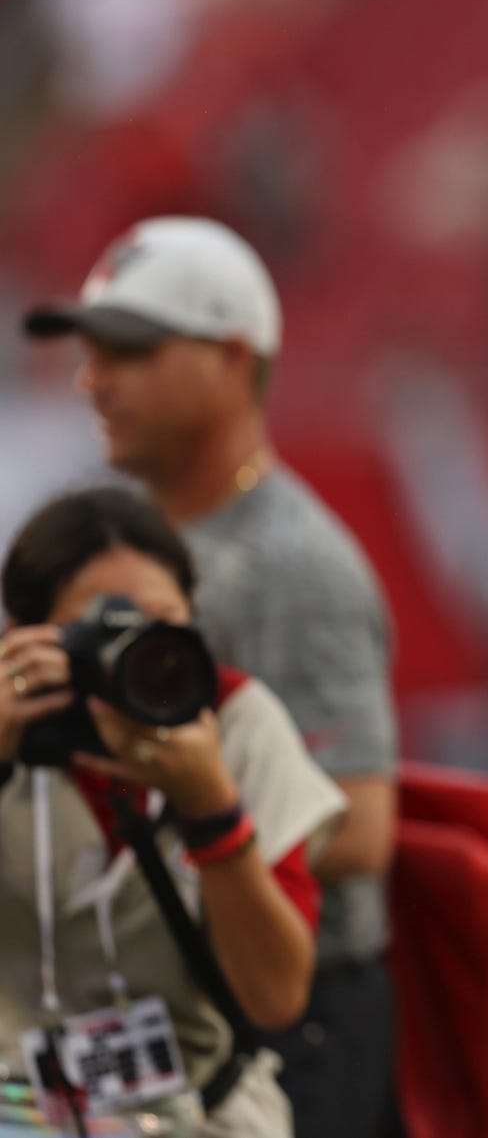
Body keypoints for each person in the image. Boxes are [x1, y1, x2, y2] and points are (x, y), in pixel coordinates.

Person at [21, 218, 401, 1137]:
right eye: (90, 352)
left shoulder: (287, 560)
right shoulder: (128, 536)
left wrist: (200, 798)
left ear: (232, 359)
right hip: (162, 1006)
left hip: (289, 1016)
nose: (92, 379)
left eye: (130, 351)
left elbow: (358, 823)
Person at [0, 486, 345, 1135]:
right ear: (24, 640)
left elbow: (274, 999)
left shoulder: (238, 723)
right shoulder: (11, 731)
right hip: (19, 1113)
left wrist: (212, 810)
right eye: (104, 630)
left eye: (162, 623)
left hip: (203, 1111)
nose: (137, 653)